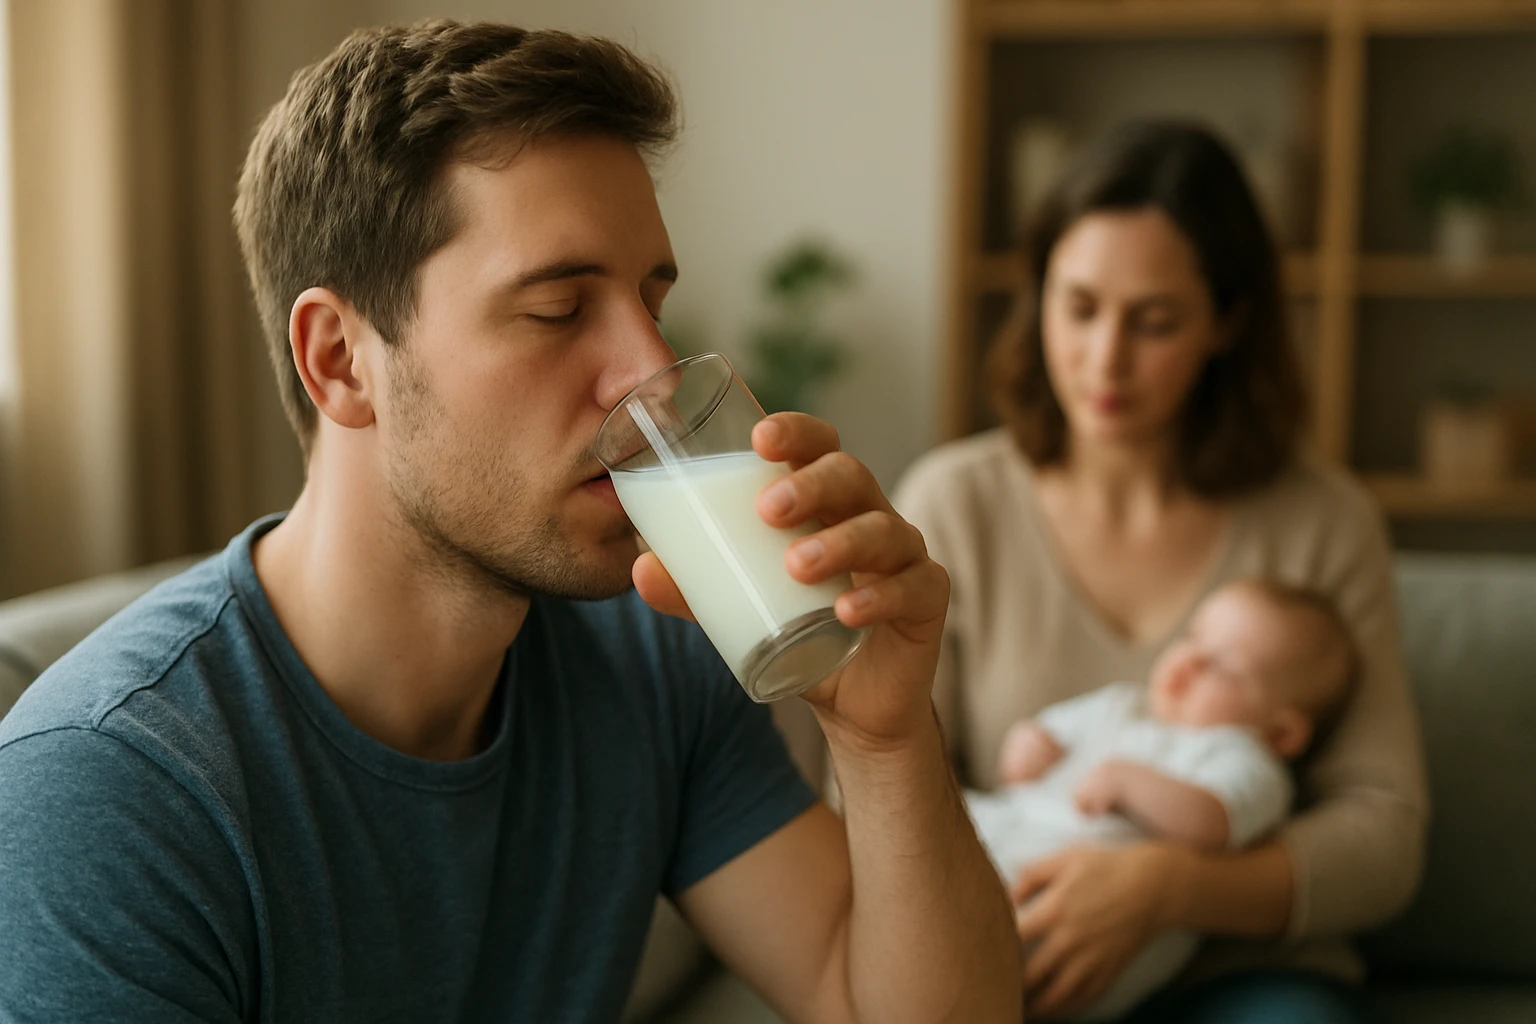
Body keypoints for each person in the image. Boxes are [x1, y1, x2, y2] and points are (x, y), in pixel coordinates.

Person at [0, 21, 1020, 1023]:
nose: (648, 372)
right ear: (340, 360)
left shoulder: (648, 658)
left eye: (648, 301)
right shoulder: (106, 796)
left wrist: (886, 741)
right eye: (559, 309)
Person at [896, 120, 1428, 1022]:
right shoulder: (955, 504)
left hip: (1244, 976)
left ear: (1228, 321)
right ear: (1039, 297)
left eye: (1155, 321)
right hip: (1015, 960)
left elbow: (1383, 833)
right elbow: (877, 794)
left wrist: (1163, 888)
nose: (1105, 360)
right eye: (1080, 307)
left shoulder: (1324, 522)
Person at [966, 579, 1357, 1020]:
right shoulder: (1121, 705)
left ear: (1282, 733)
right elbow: (1044, 739)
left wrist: (1132, 785)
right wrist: (1027, 745)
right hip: (1007, 826)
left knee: (968, 931)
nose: (1190, 660)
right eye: (1193, 638)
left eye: (1222, 666)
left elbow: (1216, 819)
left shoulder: (1243, 757)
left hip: (1078, 914)